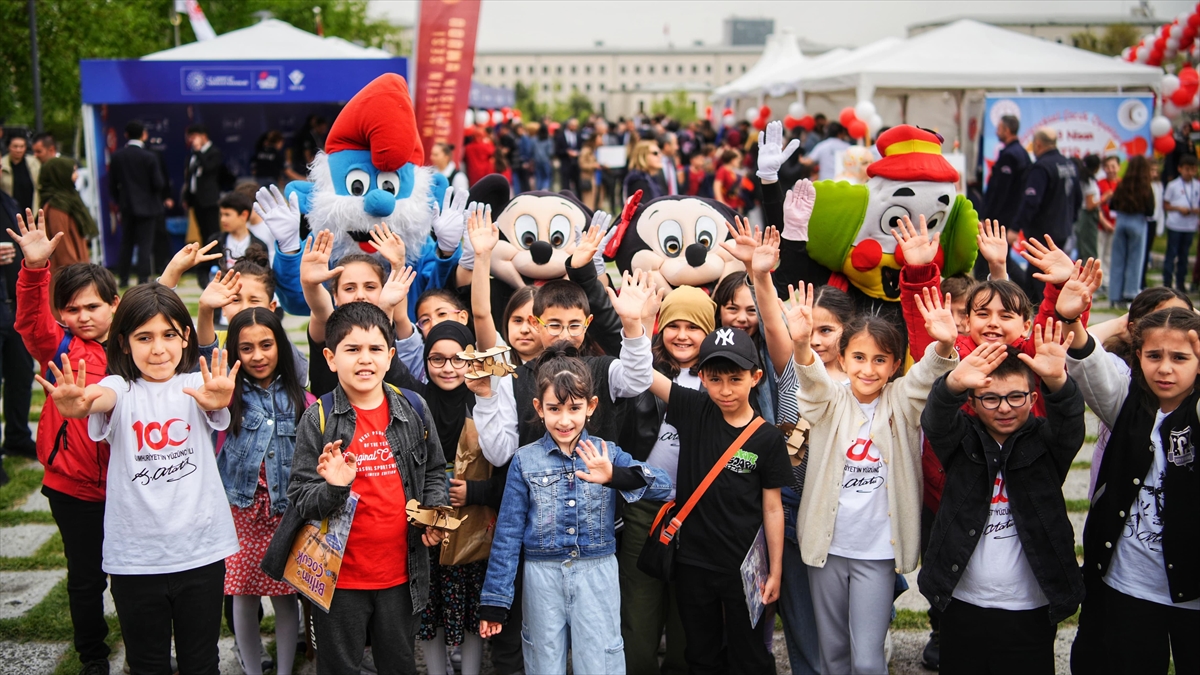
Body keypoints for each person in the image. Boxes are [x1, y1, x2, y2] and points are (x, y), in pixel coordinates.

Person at [38, 283, 240, 675]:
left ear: (185, 337)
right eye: (144, 337)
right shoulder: (120, 387)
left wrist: (221, 399)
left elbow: (215, 401)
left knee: (202, 662)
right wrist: (80, 403)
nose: (158, 348)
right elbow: (99, 396)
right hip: (135, 559)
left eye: (169, 335)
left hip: (201, 551)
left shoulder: (198, 386)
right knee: (147, 664)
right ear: (125, 343)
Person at [790, 283, 960, 675]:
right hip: (827, 549)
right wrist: (801, 346)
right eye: (860, 357)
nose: (869, 369)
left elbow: (926, 378)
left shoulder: (902, 400)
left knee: (867, 660)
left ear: (896, 363)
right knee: (832, 655)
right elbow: (812, 386)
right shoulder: (831, 399)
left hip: (876, 553)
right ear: (844, 359)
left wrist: (945, 346)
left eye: (880, 360)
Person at [275, 302, 449, 675]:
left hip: (402, 576)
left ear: (390, 356)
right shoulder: (317, 418)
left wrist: (433, 513)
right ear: (330, 357)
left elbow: (435, 470)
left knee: (399, 663)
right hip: (339, 580)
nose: (364, 359)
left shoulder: (414, 408)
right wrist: (334, 488)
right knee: (338, 666)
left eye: (374, 349)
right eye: (352, 349)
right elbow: (301, 497)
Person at [478, 345, 671, 674]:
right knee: (542, 660)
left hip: (596, 571)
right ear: (539, 408)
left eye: (574, 408)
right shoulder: (524, 460)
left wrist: (615, 476)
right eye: (554, 408)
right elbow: (508, 534)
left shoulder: (606, 453)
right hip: (541, 576)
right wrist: (495, 601)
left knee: (600, 660)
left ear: (591, 406)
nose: (564, 420)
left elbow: (663, 484)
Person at [919, 333, 1085, 675]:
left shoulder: (1047, 443)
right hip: (962, 602)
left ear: (1033, 397)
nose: (1005, 407)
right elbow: (934, 419)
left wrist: (1058, 381)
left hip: (1030, 607)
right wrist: (951, 384)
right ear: (973, 403)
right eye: (991, 399)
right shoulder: (961, 439)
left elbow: (1070, 424)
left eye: (1015, 396)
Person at [643, 326, 790, 675]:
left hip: (745, 568)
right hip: (693, 563)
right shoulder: (694, 408)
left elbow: (772, 508)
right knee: (701, 655)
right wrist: (637, 323)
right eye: (715, 378)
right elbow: (639, 371)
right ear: (702, 378)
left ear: (755, 377)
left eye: (735, 379)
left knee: (750, 656)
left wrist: (776, 569)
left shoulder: (768, 438)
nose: (725, 390)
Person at [9, 209, 118, 674]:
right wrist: (34, 270)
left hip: (131, 486)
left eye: (92, 306)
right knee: (86, 578)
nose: (81, 316)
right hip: (73, 489)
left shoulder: (139, 347)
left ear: (115, 304)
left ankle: (144, 641)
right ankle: (92, 654)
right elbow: (32, 320)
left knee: (138, 579)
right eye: (71, 309)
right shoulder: (57, 346)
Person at [1065, 307, 1200, 675]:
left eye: (1180, 357)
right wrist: (1072, 315)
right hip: (1131, 584)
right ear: (1137, 357)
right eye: (1154, 356)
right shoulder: (1125, 402)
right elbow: (1082, 358)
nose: (1166, 368)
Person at [616, 286, 715, 675]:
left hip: (698, 512)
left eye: (694, 326)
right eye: (673, 324)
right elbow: (635, 364)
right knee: (639, 612)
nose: (682, 335)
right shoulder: (642, 372)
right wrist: (635, 322)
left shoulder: (722, 376)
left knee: (687, 615)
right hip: (645, 508)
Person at [217, 308, 305, 675]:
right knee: (243, 595)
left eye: (267, 345)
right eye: (247, 348)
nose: (258, 355)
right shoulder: (226, 396)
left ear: (280, 345)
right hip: (241, 513)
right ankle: (252, 669)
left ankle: (285, 670)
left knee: (286, 598)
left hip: (285, 514)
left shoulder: (301, 398)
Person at [416, 321, 490, 675]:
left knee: (473, 608)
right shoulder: (414, 404)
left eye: (458, 359)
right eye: (437, 359)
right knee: (431, 608)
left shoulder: (484, 401)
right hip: (426, 524)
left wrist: (475, 491)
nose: (448, 368)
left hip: (473, 521)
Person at [1011, 128, 1081, 306]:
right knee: (1045, 275)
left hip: (1042, 233)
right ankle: (1033, 309)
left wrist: (1015, 227)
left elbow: (1031, 202)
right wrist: (1069, 220)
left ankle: (1043, 311)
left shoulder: (1041, 167)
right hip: (1062, 230)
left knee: (1039, 276)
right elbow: (1077, 198)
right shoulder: (1068, 164)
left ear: (1038, 144)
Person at [110, 121, 167, 286]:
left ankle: (123, 279)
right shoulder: (149, 156)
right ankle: (143, 279)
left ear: (126, 135)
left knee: (126, 242)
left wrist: (120, 200)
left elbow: (112, 185)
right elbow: (159, 183)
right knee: (145, 245)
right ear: (144, 135)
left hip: (127, 206)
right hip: (148, 208)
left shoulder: (117, 156)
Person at [1108, 155, 1156, 308]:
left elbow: (1112, 205)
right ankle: (1130, 294)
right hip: (1138, 222)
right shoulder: (1146, 187)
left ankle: (1114, 296)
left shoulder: (1122, 185)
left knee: (1117, 259)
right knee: (1135, 260)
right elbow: (1150, 210)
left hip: (1121, 222)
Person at [38, 158, 95, 270]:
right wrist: (75, 270)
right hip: (68, 272)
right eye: (73, 172)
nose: (77, 176)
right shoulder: (57, 205)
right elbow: (61, 244)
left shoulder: (69, 199)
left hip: (77, 266)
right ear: (61, 175)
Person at [984, 115, 1031, 230]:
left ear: (1007, 130)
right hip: (1011, 217)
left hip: (1001, 220)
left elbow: (1000, 190)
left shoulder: (1009, 156)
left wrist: (988, 217)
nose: (996, 132)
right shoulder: (1023, 153)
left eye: (999, 129)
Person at [1162, 154, 1199, 291]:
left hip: (1190, 226)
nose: (1189, 172)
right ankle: (1167, 282)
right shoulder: (1173, 185)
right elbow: (1166, 205)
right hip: (1175, 225)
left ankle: (1181, 284)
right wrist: (1178, 208)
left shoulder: (1197, 186)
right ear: (1180, 169)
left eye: (1192, 169)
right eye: (1186, 169)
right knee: (1171, 254)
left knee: (1184, 256)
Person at [183, 124, 224, 246]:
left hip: (209, 199)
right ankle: (206, 261)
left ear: (203, 136)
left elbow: (208, 168)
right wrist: (187, 197)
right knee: (202, 231)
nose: (192, 140)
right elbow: (189, 176)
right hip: (196, 200)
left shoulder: (214, 152)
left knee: (213, 231)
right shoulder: (193, 154)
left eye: (194, 136)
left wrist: (198, 150)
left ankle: (216, 259)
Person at [1073, 154, 1108, 263]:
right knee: (1089, 249)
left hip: (1081, 216)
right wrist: (1104, 198)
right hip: (1087, 218)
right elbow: (1089, 205)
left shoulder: (1082, 179)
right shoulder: (1089, 182)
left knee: (1082, 249)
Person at [1098, 155, 1121, 291]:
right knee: (1099, 254)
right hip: (1102, 225)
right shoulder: (1100, 183)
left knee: (1110, 255)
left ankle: (1108, 281)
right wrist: (1104, 222)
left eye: (1113, 166)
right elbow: (1095, 205)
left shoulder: (1122, 184)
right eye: (1107, 167)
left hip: (1117, 225)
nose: (1110, 170)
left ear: (1118, 167)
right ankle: (1099, 282)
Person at [1, 134, 41, 213]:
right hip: (9, 210)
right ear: (8, 147)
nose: (18, 150)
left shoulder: (34, 163)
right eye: (15, 146)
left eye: (22, 146)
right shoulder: (2, 164)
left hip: (31, 209)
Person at [556, 117, 582, 194]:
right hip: (566, 164)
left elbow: (581, 147)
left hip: (576, 165)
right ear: (569, 125)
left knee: (578, 185)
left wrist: (577, 153)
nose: (575, 127)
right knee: (565, 186)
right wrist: (567, 152)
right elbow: (557, 151)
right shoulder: (560, 136)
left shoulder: (578, 135)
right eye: (573, 125)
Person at [533, 124, 555, 191]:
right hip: (546, 161)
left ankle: (538, 190)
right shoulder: (548, 140)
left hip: (537, 161)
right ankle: (545, 189)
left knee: (539, 177)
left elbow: (533, 150)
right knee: (547, 177)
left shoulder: (535, 140)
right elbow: (550, 152)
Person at [657, 132, 681, 196]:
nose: (677, 147)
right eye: (675, 144)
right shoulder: (656, 163)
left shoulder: (672, 161)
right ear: (666, 146)